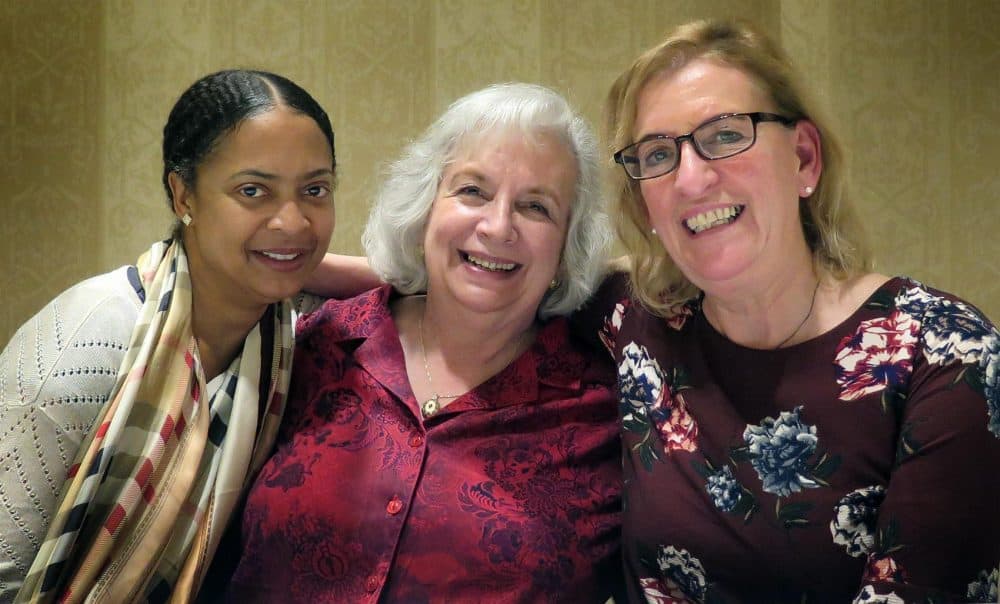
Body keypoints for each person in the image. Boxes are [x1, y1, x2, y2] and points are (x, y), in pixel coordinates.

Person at [571, 17, 1000, 603]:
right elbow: (487, 282)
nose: (691, 178)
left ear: (803, 158)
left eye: (724, 135)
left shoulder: (943, 352)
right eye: (658, 154)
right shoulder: (633, 323)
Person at [222, 83, 623, 603]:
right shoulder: (311, 348)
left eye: (535, 207)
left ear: (569, 247)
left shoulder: (603, 420)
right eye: (473, 191)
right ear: (425, 208)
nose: (498, 226)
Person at [0, 69, 337, 603]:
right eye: (253, 191)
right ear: (184, 195)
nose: (293, 222)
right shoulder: (89, 342)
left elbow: (422, 280)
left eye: (314, 190)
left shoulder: (290, 331)